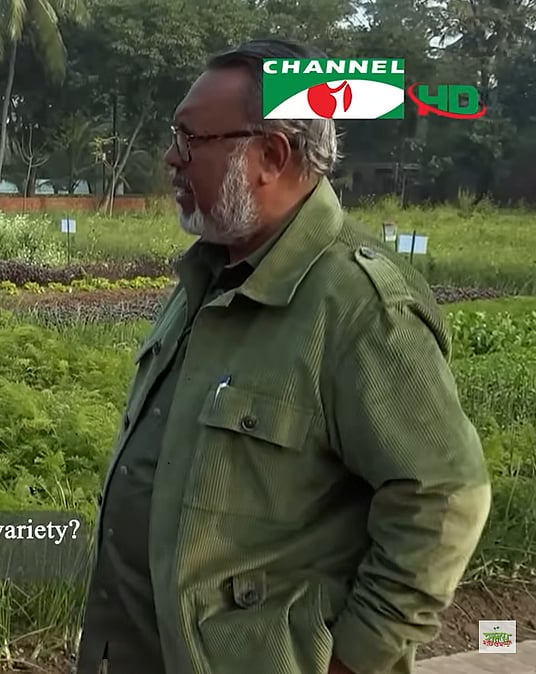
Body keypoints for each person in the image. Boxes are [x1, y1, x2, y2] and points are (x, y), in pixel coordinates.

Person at [75, 38, 491, 674]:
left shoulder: (359, 306)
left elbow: (443, 496)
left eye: (189, 141)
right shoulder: (208, 274)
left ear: (269, 156)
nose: (170, 158)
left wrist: (357, 660)